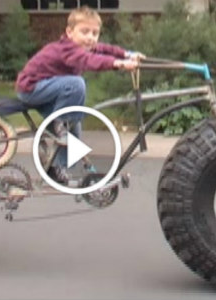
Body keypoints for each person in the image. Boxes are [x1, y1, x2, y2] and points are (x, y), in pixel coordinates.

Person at [15, 6, 144, 183]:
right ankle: (59, 126)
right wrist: (119, 64)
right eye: (84, 32)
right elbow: (90, 61)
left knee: (75, 126)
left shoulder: (85, 46)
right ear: (69, 32)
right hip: (32, 89)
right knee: (76, 84)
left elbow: (104, 49)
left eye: (94, 33)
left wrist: (128, 54)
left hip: (50, 92)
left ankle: (57, 168)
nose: (90, 37)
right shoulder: (67, 49)